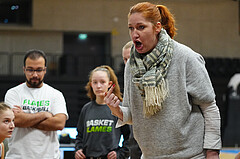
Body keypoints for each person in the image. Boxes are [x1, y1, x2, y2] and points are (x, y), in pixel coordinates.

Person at [104, 2, 222, 159]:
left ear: (157, 27)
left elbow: (209, 107)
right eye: (131, 28)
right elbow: (133, 116)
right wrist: (117, 110)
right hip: (150, 155)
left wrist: (212, 152)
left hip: (192, 155)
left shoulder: (186, 57)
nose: (134, 34)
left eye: (141, 27)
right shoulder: (131, 65)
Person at [4, 49, 68, 159]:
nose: (34, 74)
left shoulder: (55, 94)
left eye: (39, 70)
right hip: (18, 156)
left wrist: (25, 118)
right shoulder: (13, 93)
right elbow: (16, 120)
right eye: (30, 70)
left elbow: (59, 124)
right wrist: (43, 115)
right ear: (24, 69)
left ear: (45, 70)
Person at [75, 65, 130, 159]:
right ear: (91, 84)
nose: (98, 86)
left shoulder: (118, 108)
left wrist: (120, 153)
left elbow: (129, 137)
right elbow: (79, 135)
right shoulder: (86, 109)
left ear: (110, 84)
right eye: (95, 82)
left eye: (102, 82)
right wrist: (78, 149)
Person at [122, 41, 142, 159]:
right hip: (134, 144)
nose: (128, 63)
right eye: (125, 59)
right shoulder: (127, 80)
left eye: (130, 58)